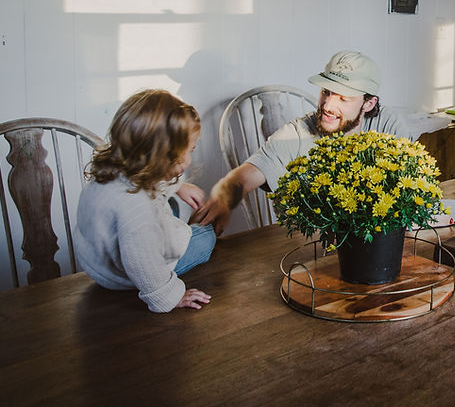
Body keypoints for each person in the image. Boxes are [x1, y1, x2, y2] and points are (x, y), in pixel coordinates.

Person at [193, 50, 414, 234]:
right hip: (316, 245)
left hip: (378, 237)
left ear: (368, 104)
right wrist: (222, 198)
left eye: (343, 98)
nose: (327, 106)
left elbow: (410, 188)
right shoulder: (297, 134)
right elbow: (246, 174)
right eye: (326, 92)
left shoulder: (389, 125)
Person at [74, 89, 216, 313]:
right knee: (206, 237)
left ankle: (175, 231)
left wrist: (179, 186)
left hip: (99, 262)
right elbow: (144, 263)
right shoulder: (136, 208)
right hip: (123, 275)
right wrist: (170, 296)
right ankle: (186, 233)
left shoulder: (114, 171)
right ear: (164, 155)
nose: (190, 157)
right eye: (190, 150)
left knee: (168, 206)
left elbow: (149, 181)